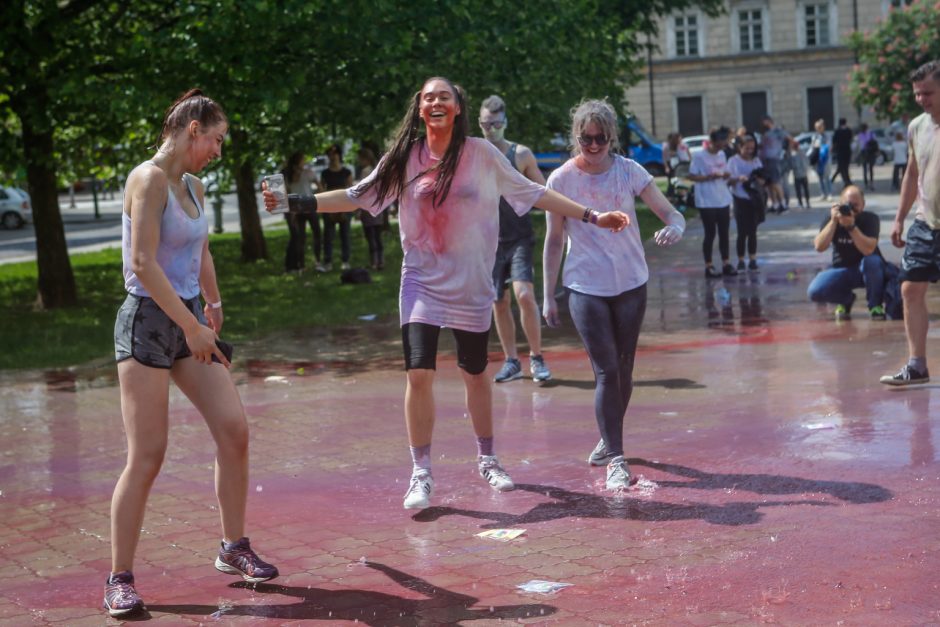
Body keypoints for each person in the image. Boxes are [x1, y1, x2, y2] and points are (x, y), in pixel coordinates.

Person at [262, 77, 628, 509]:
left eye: (444, 97)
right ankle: (421, 472)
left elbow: (533, 193)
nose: (436, 102)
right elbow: (358, 195)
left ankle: (488, 458)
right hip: (421, 280)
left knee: (475, 374)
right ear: (420, 109)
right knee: (418, 373)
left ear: (457, 108)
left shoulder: (481, 154)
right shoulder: (405, 157)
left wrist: (591, 215)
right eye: (428, 97)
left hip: (471, 283)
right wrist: (294, 203)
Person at [106, 89, 277, 617]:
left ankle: (233, 548)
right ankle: (119, 578)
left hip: (187, 320)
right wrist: (193, 328)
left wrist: (212, 302)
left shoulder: (193, 183)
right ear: (193, 129)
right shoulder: (149, 179)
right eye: (217, 139)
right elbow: (142, 262)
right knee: (148, 455)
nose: (219, 152)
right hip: (148, 325)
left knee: (234, 431)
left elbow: (199, 247)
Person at [542, 99, 686, 490]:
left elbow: (672, 214)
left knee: (624, 370)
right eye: (586, 138)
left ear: (611, 138)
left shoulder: (630, 172)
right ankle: (617, 460)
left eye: (600, 138)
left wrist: (676, 228)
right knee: (605, 371)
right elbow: (554, 241)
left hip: (630, 284)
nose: (592, 145)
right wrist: (547, 293)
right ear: (576, 137)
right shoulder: (560, 180)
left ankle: (608, 440)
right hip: (585, 286)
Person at [478, 94, 552, 384]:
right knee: (498, 301)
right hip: (488, 242)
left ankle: (537, 357)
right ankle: (512, 361)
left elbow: (544, 192)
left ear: (505, 122)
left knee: (523, 294)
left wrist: (570, 218)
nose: (491, 130)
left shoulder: (520, 154)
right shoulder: (475, 154)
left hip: (520, 237)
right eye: (486, 124)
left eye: (496, 124)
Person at [881, 60, 940, 386]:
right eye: (917, 94)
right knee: (909, 289)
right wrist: (899, 218)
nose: (921, 99)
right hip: (925, 221)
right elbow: (912, 173)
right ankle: (917, 365)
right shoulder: (917, 126)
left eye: (928, 93)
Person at [807, 185, 889, 321]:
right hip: (843, 270)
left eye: (855, 205)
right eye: (847, 204)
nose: (851, 209)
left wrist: (851, 227)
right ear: (839, 204)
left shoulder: (870, 219)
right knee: (815, 291)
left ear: (863, 205)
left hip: (869, 271)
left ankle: (875, 305)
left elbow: (868, 250)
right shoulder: (831, 219)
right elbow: (819, 247)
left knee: (873, 261)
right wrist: (833, 222)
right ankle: (845, 300)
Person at [688, 126, 737, 278]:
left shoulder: (722, 155)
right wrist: (708, 177)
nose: (723, 145)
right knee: (710, 233)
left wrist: (726, 175)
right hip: (706, 200)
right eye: (721, 142)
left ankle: (726, 263)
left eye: (725, 142)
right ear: (713, 142)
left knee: (724, 233)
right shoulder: (699, 156)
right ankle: (708, 266)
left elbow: (725, 172)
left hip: (722, 197)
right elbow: (692, 176)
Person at [727, 134, 763, 271]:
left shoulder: (756, 161)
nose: (750, 151)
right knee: (742, 231)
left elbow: (763, 178)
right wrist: (738, 179)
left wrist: (760, 180)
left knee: (753, 231)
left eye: (752, 148)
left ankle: (753, 259)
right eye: (746, 148)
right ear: (739, 147)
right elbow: (728, 180)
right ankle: (741, 260)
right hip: (739, 198)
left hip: (754, 199)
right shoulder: (733, 161)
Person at [283, 151, 323, 273]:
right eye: (302, 160)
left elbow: (319, 186)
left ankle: (316, 261)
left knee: (316, 234)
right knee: (301, 237)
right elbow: (287, 191)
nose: (304, 162)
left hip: (308, 205)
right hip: (299, 207)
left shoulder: (307, 172)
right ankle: (302, 264)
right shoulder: (289, 174)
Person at [319, 143, 354, 271]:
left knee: (345, 234)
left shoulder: (346, 172)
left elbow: (350, 189)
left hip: (344, 207)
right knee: (328, 236)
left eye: (335, 153)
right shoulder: (325, 173)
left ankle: (345, 261)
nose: (332, 156)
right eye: (330, 154)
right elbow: (322, 189)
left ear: (339, 155)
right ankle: (327, 261)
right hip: (329, 207)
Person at [356, 147, 386, 270]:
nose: (358, 161)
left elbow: (362, 190)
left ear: (365, 159)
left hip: (367, 207)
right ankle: (381, 261)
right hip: (378, 206)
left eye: (359, 158)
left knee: (371, 236)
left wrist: (358, 208)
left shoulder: (365, 172)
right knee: (378, 236)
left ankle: (374, 262)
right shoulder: (378, 171)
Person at [758, 116, 789, 214]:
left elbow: (789, 139)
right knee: (769, 184)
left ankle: (783, 205)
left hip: (773, 160)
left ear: (770, 122)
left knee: (776, 182)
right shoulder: (764, 133)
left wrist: (784, 153)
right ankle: (775, 204)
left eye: (765, 123)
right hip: (764, 160)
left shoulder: (777, 131)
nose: (764, 125)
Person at [662, 132, 691, 197]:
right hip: (673, 165)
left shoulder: (683, 145)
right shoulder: (668, 146)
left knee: (681, 181)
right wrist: (666, 167)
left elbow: (688, 154)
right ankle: (671, 195)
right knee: (672, 181)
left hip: (681, 164)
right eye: (678, 138)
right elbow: (664, 158)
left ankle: (680, 195)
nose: (680, 140)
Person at [810, 119, 833, 201]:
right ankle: (823, 194)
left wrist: (820, 146)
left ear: (823, 127)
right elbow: (813, 146)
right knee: (820, 178)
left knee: (827, 177)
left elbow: (829, 147)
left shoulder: (827, 136)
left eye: (819, 127)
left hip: (826, 160)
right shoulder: (814, 136)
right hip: (818, 160)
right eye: (816, 127)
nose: (818, 129)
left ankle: (829, 194)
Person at [831, 117, 854, 187]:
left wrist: (833, 148)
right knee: (845, 167)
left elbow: (834, 140)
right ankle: (847, 181)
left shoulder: (837, 131)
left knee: (841, 167)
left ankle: (846, 181)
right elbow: (851, 139)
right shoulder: (849, 130)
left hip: (840, 152)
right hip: (847, 151)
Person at [790, 138, 812, 209]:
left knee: (799, 189)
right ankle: (807, 203)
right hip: (804, 174)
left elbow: (793, 165)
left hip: (797, 175)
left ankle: (801, 203)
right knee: (805, 189)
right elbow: (807, 162)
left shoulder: (794, 155)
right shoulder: (803, 153)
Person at [856, 123, 878, 192]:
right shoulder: (869, 134)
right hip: (866, 152)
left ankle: (869, 183)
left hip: (867, 152)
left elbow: (860, 145)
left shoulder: (865, 134)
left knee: (867, 168)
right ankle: (869, 183)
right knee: (867, 168)